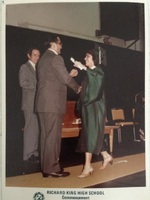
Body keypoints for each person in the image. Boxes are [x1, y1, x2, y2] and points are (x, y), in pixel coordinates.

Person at [35, 35, 81, 178]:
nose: (61, 47)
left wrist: (68, 75)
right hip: (52, 104)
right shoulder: (56, 58)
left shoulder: (42, 59)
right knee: (53, 137)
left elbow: (54, 79)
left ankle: (46, 168)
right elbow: (65, 79)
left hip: (43, 104)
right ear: (54, 44)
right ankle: (53, 168)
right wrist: (77, 87)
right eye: (60, 44)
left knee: (45, 137)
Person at [74, 47, 113, 178]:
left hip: (95, 110)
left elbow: (95, 92)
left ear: (95, 59)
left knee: (89, 136)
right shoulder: (89, 74)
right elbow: (85, 92)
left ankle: (87, 166)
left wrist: (83, 68)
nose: (85, 58)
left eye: (88, 57)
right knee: (91, 135)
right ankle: (106, 156)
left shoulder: (99, 72)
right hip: (88, 109)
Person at [19, 47, 40, 163]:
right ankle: (27, 155)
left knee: (35, 129)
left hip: (36, 104)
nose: (37, 57)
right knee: (29, 129)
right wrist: (37, 86)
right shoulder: (25, 67)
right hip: (29, 104)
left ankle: (34, 152)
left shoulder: (36, 69)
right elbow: (23, 82)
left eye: (38, 55)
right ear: (29, 55)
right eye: (35, 55)